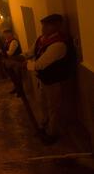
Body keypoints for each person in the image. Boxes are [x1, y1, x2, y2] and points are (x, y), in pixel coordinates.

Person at [23, 14, 76, 143]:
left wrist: (22, 65)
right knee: (43, 104)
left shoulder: (58, 44)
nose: (43, 28)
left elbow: (39, 65)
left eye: (48, 25)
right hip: (44, 80)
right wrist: (19, 58)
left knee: (54, 109)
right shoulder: (41, 39)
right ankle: (44, 126)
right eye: (43, 25)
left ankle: (52, 134)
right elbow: (30, 53)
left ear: (57, 26)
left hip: (54, 81)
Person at [1, 29, 24, 96]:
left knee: (17, 77)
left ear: (10, 34)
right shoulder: (7, 41)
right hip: (10, 62)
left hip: (16, 61)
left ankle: (20, 91)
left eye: (6, 34)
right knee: (13, 76)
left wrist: (3, 52)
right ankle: (16, 88)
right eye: (4, 34)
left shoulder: (14, 42)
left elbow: (10, 53)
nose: (5, 36)